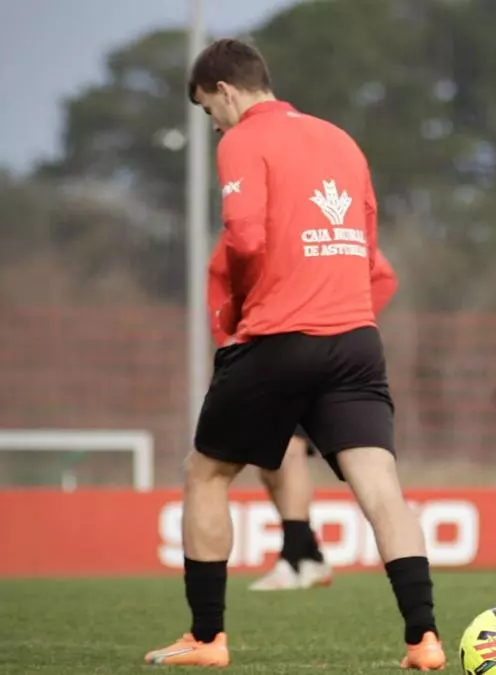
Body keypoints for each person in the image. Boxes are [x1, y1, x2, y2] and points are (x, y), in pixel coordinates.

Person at [145, 39, 445, 670]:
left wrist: (239, 309)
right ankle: (424, 639)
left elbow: (244, 237)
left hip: (279, 339)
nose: (213, 123)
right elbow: (368, 252)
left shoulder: (243, 140)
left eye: (207, 110)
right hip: (357, 341)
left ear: (225, 90)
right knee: (381, 488)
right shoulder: (341, 140)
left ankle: (206, 638)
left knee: (205, 474)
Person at [206, 229, 400, 592]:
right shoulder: (240, 234)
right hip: (261, 357)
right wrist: (229, 342)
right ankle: (307, 554)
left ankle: (295, 559)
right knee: (268, 465)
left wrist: (337, 323)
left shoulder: (308, 228)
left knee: (288, 450)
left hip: (310, 355)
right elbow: (219, 282)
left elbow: (383, 277)